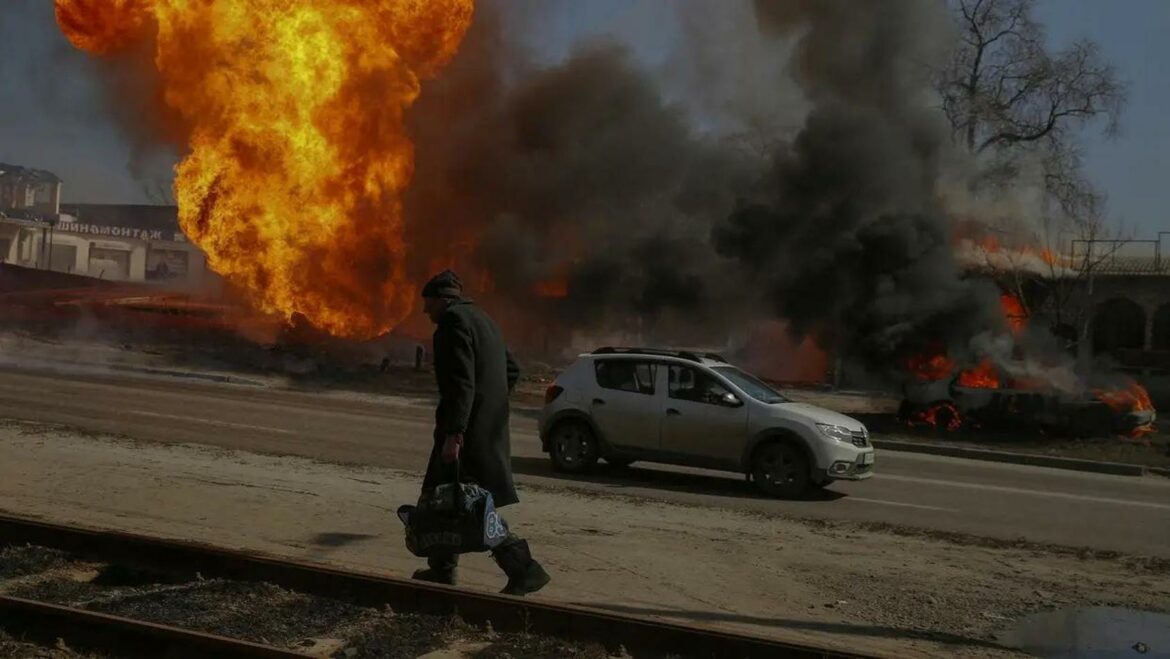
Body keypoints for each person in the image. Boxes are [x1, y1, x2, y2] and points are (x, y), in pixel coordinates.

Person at [412, 270, 551, 596]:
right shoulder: (483, 319)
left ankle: (525, 568)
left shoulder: (453, 323)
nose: (425, 311)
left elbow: (461, 385)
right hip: (486, 430)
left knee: (470, 505)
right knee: (445, 499)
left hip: (465, 435)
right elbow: (512, 369)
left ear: (443, 299)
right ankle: (441, 569)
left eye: (428, 303)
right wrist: (492, 405)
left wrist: (454, 434)